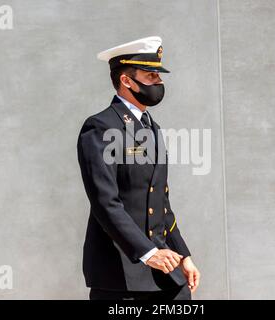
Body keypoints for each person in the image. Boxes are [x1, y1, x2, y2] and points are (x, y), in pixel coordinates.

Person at [77, 36, 200, 300]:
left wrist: (183, 255)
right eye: (151, 76)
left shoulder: (152, 128)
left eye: (159, 76)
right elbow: (106, 202)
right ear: (126, 80)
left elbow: (161, 203)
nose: (159, 83)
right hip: (122, 275)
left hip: (164, 270)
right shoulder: (100, 127)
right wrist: (149, 253)